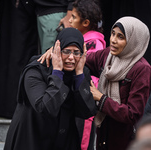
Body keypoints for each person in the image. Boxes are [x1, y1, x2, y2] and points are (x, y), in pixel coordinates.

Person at [38, 16, 151, 150]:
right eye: (113, 34)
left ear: (135, 41)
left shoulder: (142, 70)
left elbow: (133, 114)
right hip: (104, 134)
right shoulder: (108, 56)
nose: (113, 40)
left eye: (121, 37)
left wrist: (101, 98)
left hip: (127, 140)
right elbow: (79, 57)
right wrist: (55, 51)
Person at [4, 27, 96, 150]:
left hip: (63, 140)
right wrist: (57, 72)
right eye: (66, 51)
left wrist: (79, 76)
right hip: (32, 137)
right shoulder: (35, 71)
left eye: (76, 52)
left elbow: (87, 111)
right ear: (57, 50)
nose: (71, 58)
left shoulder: (80, 71)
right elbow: (45, 108)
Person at [39, 1, 106, 149]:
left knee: (83, 139)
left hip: (85, 96)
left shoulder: (94, 42)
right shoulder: (79, 39)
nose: (69, 20)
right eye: (66, 51)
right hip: (75, 96)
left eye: (74, 17)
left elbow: (89, 71)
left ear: (86, 22)